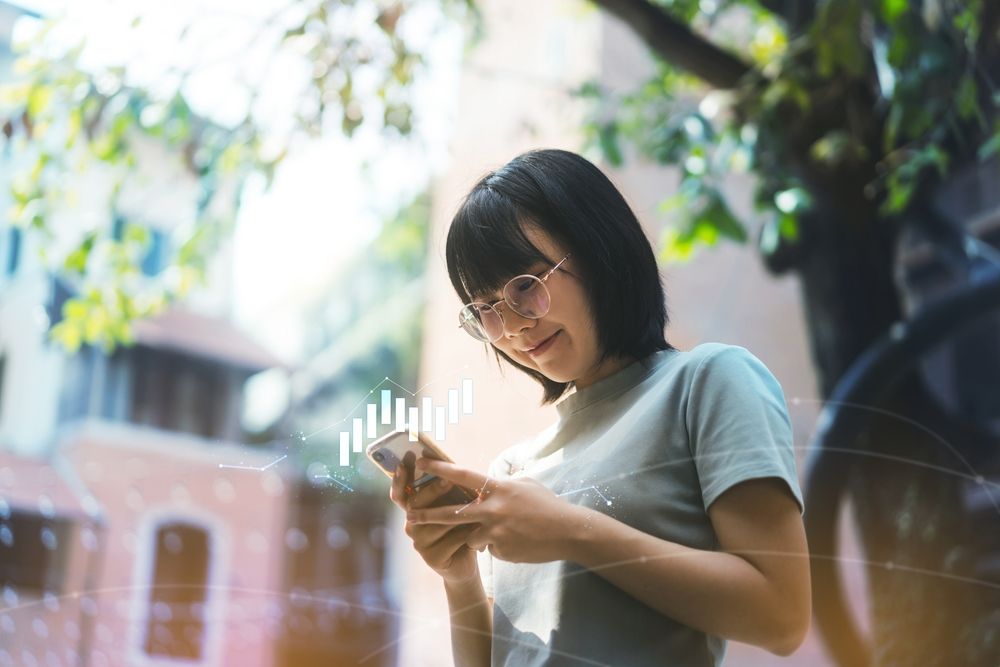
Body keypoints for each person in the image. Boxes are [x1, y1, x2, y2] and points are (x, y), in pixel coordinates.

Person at [388, 149, 811, 666]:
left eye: (526, 286)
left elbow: (782, 617)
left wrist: (570, 531)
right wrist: (459, 576)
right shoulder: (514, 470)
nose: (514, 327)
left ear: (598, 250)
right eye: (486, 311)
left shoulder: (708, 382)